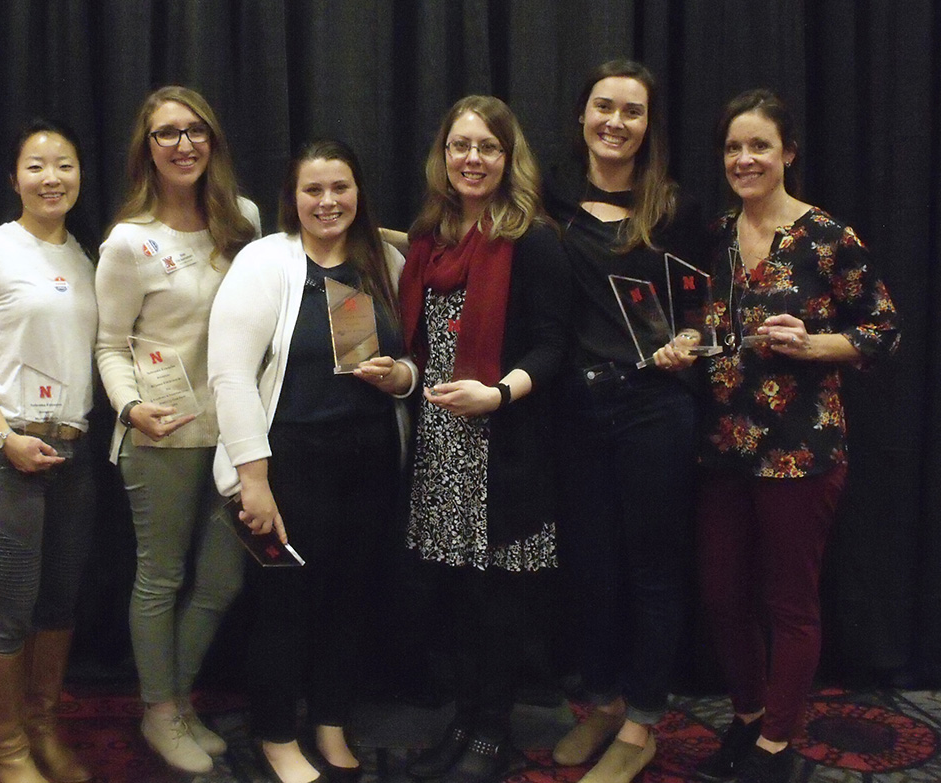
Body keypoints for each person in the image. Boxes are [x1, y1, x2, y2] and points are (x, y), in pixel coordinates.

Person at [663, 89, 899, 783]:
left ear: (788, 152)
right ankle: (746, 719)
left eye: (759, 146)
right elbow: (706, 327)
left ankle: (777, 746)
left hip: (804, 450)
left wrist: (816, 343)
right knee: (720, 594)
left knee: (789, 600)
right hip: (725, 448)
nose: (745, 159)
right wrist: (685, 342)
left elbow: (884, 333)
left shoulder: (828, 236)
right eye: (734, 148)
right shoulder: (713, 237)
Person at [208, 139, 412, 783]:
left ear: (360, 194)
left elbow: (417, 361)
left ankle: (330, 720)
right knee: (285, 604)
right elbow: (231, 376)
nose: (328, 202)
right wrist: (254, 481)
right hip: (289, 461)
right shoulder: (265, 261)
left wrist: (399, 377)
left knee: (348, 599)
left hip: (369, 459)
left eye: (340, 188)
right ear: (291, 199)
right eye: (313, 190)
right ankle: (273, 732)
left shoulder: (387, 262)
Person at [398, 95, 569, 783]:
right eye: (460, 146)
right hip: (440, 445)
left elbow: (555, 345)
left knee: (499, 603)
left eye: (487, 148)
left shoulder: (532, 238)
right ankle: (465, 718)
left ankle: (495, 732)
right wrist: (400, 373)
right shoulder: (429, 237)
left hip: (506, 446)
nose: (472, 159)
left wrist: (497, 394)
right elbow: (421, 342)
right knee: (454, 599)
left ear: (507, 158)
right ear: (443, 156)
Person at [544, 59, 705, 783]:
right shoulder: (547, 198)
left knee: (653, 572)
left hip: (653, 408)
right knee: (591, 568)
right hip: (575, 409)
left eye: (632, 112)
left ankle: (642, 724)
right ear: (581, 116)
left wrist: (689, 341)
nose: (615, 121)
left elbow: (706, 309)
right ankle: (604, 703)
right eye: (603, 106)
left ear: (648, 127)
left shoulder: (675, 207)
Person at [94, 85, 260, 775]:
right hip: (161, 434)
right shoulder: (129, 242)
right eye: (168, 133)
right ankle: (162, 710)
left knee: (222, 579)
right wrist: (131, 408)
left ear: (213, 141)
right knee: (160, 576)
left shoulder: (243, 221)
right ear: (148, 148)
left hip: (236, 436)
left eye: (195, 130)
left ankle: (176, 700)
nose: (184, 144)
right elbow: (108, 343)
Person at [0, 119, 98, 783]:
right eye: (36, 166)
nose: (50, 178)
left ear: (80, 176)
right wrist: (6, 437)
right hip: (4, 448)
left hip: (73, 451)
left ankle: (42, 726)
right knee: (8, 603)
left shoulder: (88, 259)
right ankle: (4, 747)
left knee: (59, 601)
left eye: (63, 165)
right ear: (14, 178)